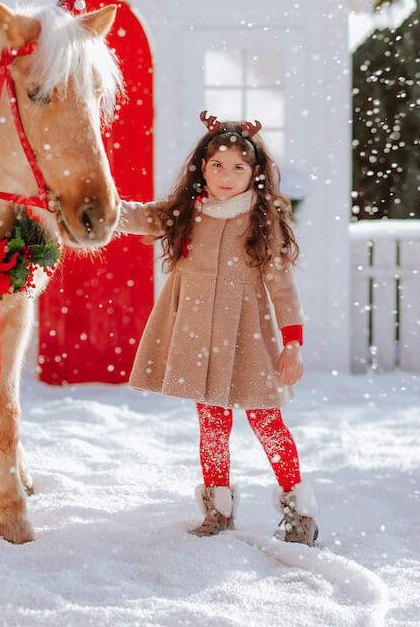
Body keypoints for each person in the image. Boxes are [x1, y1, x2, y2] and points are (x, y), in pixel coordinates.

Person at [117, 112, 318, 545]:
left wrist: (293, 344)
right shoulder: (188, 212)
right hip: (197, 330)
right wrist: (100, 209)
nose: (226, 177)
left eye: (238, 168)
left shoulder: (263, 220)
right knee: (212, 423)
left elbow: (282, 286)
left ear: (256, 173)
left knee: (267, 421)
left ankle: (299, 510)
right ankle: (219, 509)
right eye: (217, 166)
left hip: (246, 333)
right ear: (202, 169)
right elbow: (138, 217)